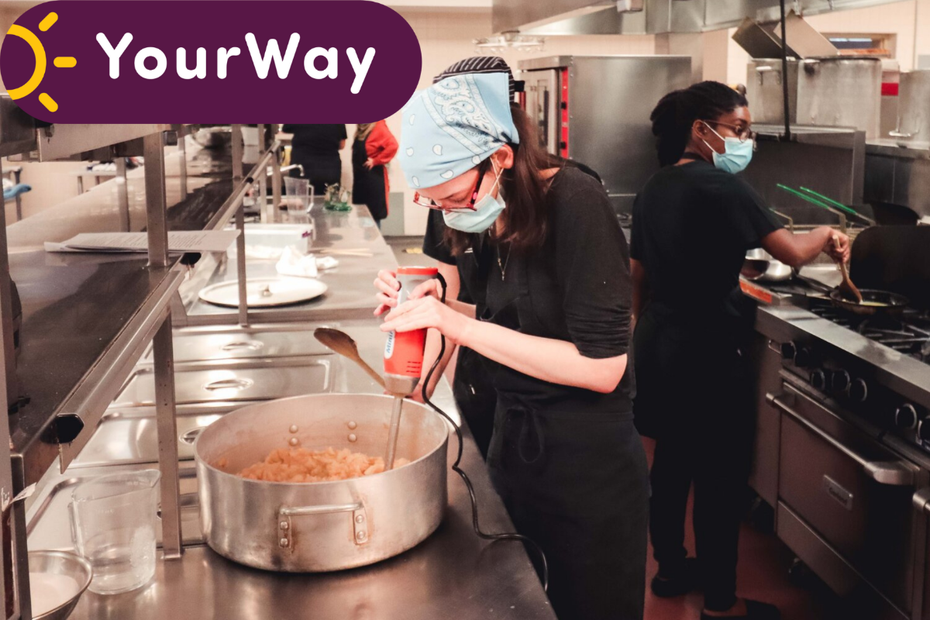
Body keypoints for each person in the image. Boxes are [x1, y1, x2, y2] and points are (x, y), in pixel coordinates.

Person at [374, 57, 648, 620]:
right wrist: (427, 307)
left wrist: (460, 325)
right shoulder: (478, 205)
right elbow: (504, 316)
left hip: (584, 468)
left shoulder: (576, 201)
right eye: (432, 202)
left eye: (454, 198)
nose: (448, 214)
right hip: (513, 443)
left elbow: (602, 368)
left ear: (500, 158)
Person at [630, 81, 851, 620]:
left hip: (660, 341)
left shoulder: (655, 185)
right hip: (706, 349)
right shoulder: (724, 186)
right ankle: (722, 603)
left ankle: (670, 569)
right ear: (701, 130)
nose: (745, 141)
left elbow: (637, 274)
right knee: (719, 477)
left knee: (671, 463)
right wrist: (828, 232)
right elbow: (792, 253)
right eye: (738, 129)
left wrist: (644, 331)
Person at [352, 122, 399, 229]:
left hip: (373, 182)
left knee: (373, 218)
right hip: (360, 181)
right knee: (362, 216)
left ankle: (375, 240)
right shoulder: (360, 129)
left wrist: (376, 160)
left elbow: (393, 145)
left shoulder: (378, 126)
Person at [280, 124, 347, 195]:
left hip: (303, 170)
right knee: (329, 200)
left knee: (300, 200)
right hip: (330, 170)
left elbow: (284, 131)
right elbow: (341, 145)